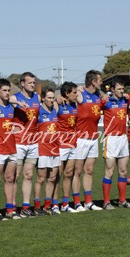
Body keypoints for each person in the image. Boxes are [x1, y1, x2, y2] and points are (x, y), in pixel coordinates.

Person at [0, 79, 21, 220]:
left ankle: (9, 209)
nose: (7, 93)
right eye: (4, 90)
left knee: (10, 178)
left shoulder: (11, 108)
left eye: (8, 90)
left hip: (11, 148)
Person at [9, 72, 40, 217]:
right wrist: (16, 103)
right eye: (30, 82)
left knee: (28, 175)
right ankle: (12, 206)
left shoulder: (37, 97)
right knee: (16, 175)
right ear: (22, 83)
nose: (32, 85)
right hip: (19, 142)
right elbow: (3, 99)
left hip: (33, 142)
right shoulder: (15, 97)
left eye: (34, 82)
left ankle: (25, 207)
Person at [71, 70, 103, 211]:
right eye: (100, 80)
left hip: (93, 138)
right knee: (77, 172)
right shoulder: (80, 95)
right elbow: (64, 96)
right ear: (93, 82)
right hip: (80, 139)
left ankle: (88, 202)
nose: (102, 82)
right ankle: (77, 202)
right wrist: (77, 89)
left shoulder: (98, 95)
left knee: (89, 170)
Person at [101, 79, 130, 209]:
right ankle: (106, 202)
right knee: (109, 171)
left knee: (123, 171)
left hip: (123, 138)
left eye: (123, 89)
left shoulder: (126, 101)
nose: (122, 91)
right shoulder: (107, 101)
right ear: (113, 89)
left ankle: (122, 200)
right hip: (111, 139)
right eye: (119, 89)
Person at [34, 88, 60, 215]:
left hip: (55, 149)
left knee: (52, 178)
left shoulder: (55, 110)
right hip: (42, 149)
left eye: (52, 98)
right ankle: (37, 206)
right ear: (43, 98)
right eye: (49, 97)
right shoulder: (38, 111)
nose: (51, 100)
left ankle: (47, 206)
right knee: (41, 178)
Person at [56, 82, 79, 213]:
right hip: (60, 144)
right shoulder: (58, 105)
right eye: (74, 93)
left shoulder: (75, 104)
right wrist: (55, 99)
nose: (77, 95)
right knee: (57, 175)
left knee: (68, 174)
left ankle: (65, 204)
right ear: (66, 94)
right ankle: (54, 204)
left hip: (72, 144)